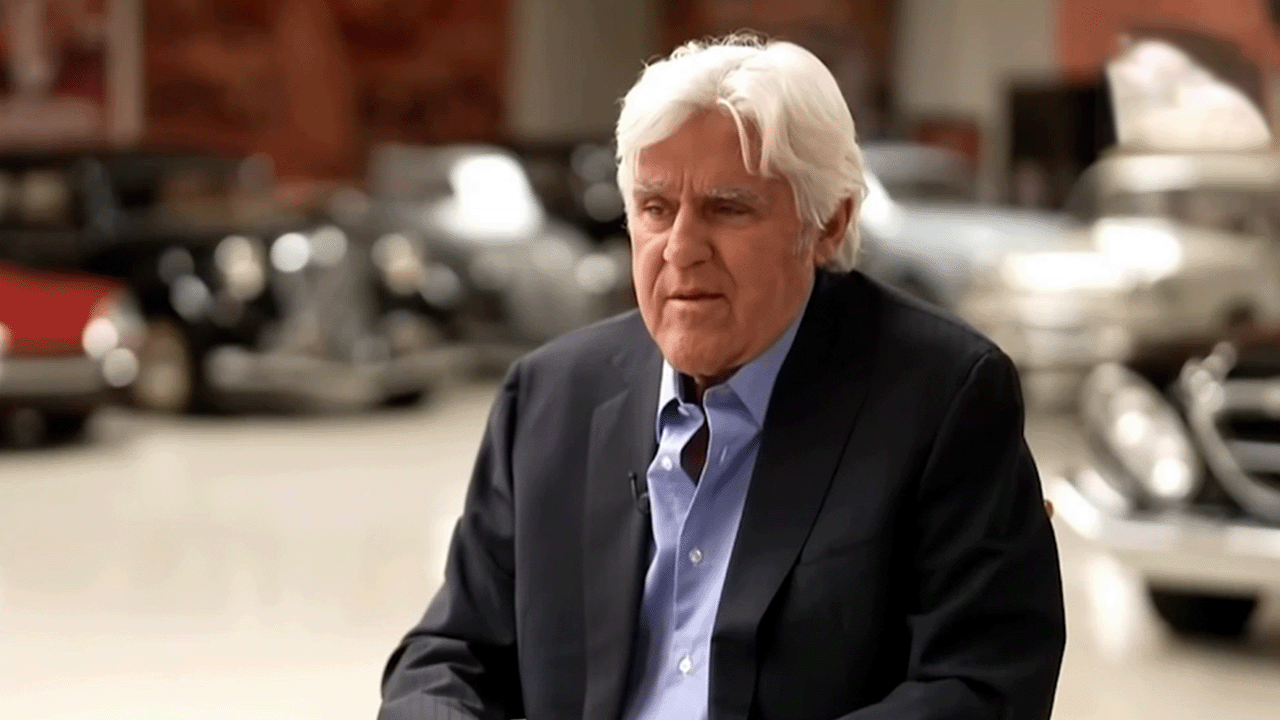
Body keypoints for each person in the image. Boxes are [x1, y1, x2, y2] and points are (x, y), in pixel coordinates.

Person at [379, 34, 1066, 720]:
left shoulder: (945, 398)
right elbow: (449, 655)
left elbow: (982, 684)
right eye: (655, 208)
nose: (680, 249)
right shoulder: (549, 396)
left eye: (727, 208)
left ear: (828, 224)